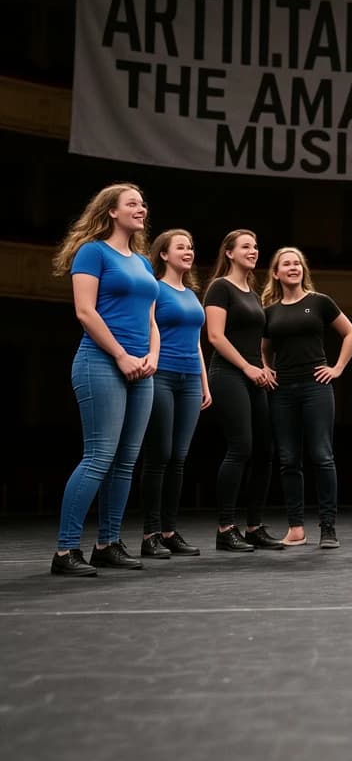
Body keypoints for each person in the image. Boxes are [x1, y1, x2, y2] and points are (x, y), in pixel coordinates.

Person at [51, 183, 159, 576]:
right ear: (111, 211)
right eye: (132, 203)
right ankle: (65, 551)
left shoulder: (144, 263)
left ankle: (107, 544)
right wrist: (121, 355)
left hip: (141, 367)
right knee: (99, 457)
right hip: (101, 361)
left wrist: (151, 357)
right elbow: (85, 312)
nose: (141, 208)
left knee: (126, 462)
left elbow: (151, 320)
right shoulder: (92, 252)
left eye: (143, 203)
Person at [262, 247, 352, 550]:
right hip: (282, 391)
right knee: (289, 459)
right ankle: (295, 528)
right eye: (286, 264)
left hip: (315, 387)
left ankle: (327, 528)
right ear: (276, 273)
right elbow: (263, 349)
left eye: (297, 263)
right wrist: (265, 367)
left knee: (322, 455)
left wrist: (338, 368)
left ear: (303, 270)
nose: (293, 267)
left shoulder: (319, 303)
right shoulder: (270, 311)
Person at [204, 229, 283, 552]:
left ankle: (254, 526)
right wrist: (248, 367)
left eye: (256, 245)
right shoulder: (220, 288)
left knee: (265, 451)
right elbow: (216, 337)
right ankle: (226, 528)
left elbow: (255, 342)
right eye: (246, 246)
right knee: (241, 447)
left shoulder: (252, 293)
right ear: (230, 253)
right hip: (228, 373)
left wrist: (261, 365)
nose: (253, 251)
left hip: (253, 375)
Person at [138, 229, 211, 559]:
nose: (189, 251)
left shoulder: (193, 294)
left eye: (191, 246)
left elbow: (196, 343)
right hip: (163, 377)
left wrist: (204, 383)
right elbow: (147, 329)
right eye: (181, 246)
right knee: (160, 455)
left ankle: (169, 530)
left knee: (179, 457)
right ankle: (150, 533)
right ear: (164, 254)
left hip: (190, 381)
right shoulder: (155, 289)